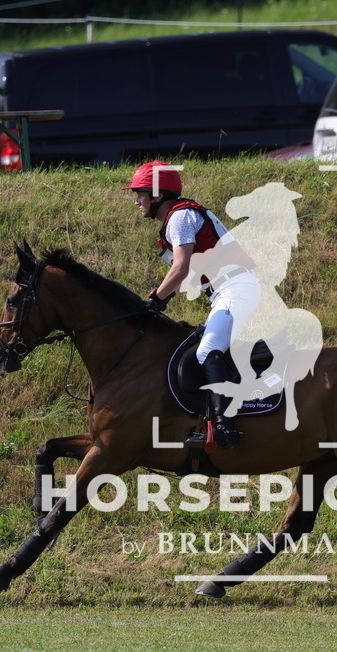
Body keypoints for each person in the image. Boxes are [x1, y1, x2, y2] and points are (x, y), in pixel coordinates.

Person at [124, 161, 260, 448]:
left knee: (208, 350)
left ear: (157, 195)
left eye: (140, 194)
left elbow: (181, 268)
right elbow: (186, 273)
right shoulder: (180, 215)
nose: (137, 201)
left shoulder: (180, 217)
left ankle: (226, 427)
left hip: (235, 288)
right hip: (227, 289)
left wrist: (155, 300)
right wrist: (161, 297)